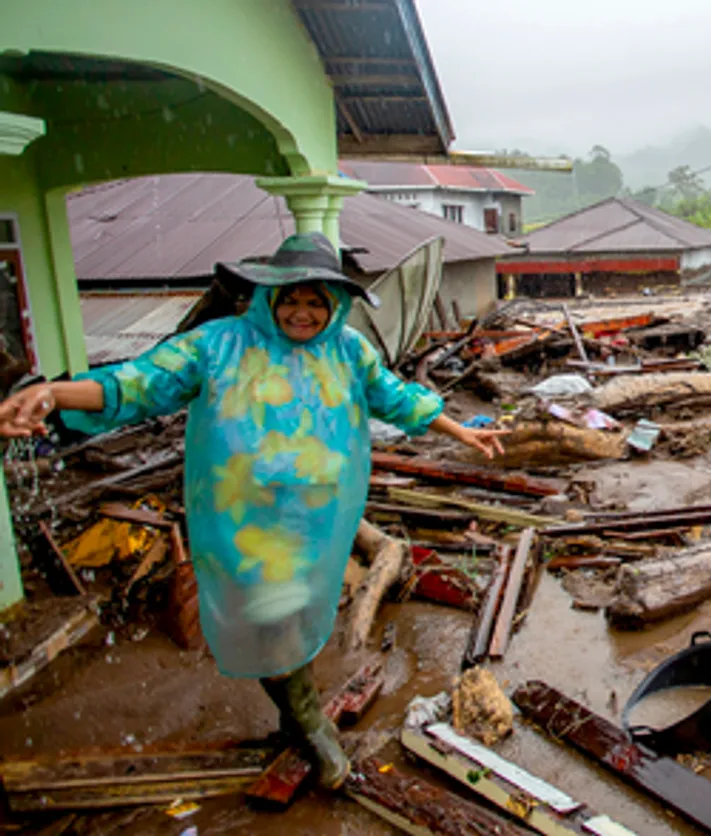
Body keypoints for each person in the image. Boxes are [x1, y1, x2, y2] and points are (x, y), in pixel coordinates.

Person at [0, 232, 506, 788]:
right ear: (268, 297)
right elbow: (138, 383)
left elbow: (398, 397)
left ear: (335, 305)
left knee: (299, 617)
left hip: (318, 521)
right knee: (268, 618)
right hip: (241, 522)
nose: (303, 312)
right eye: (291, 298)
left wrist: (462, 431)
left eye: (317, 301)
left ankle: (295, 716)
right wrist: (54, 396)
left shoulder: (349, 351)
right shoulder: (218, 345)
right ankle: (313, 728)